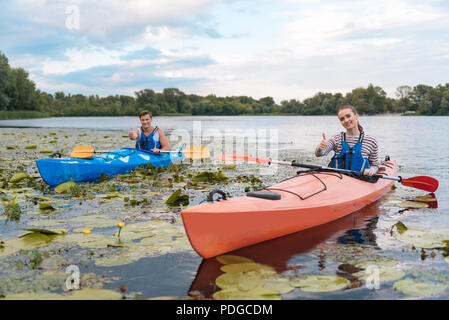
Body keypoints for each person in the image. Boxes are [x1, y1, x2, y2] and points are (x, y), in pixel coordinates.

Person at [315, 105, 379, 176]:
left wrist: (371, 170)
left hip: (360, 181)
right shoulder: (335, 139)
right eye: (342, 119)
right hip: (337, 179)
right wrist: (319, 148)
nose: (346, 120)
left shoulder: (371, 141)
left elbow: (375, 165)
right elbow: (319, 154)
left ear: (356, 116)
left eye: (348, 116)